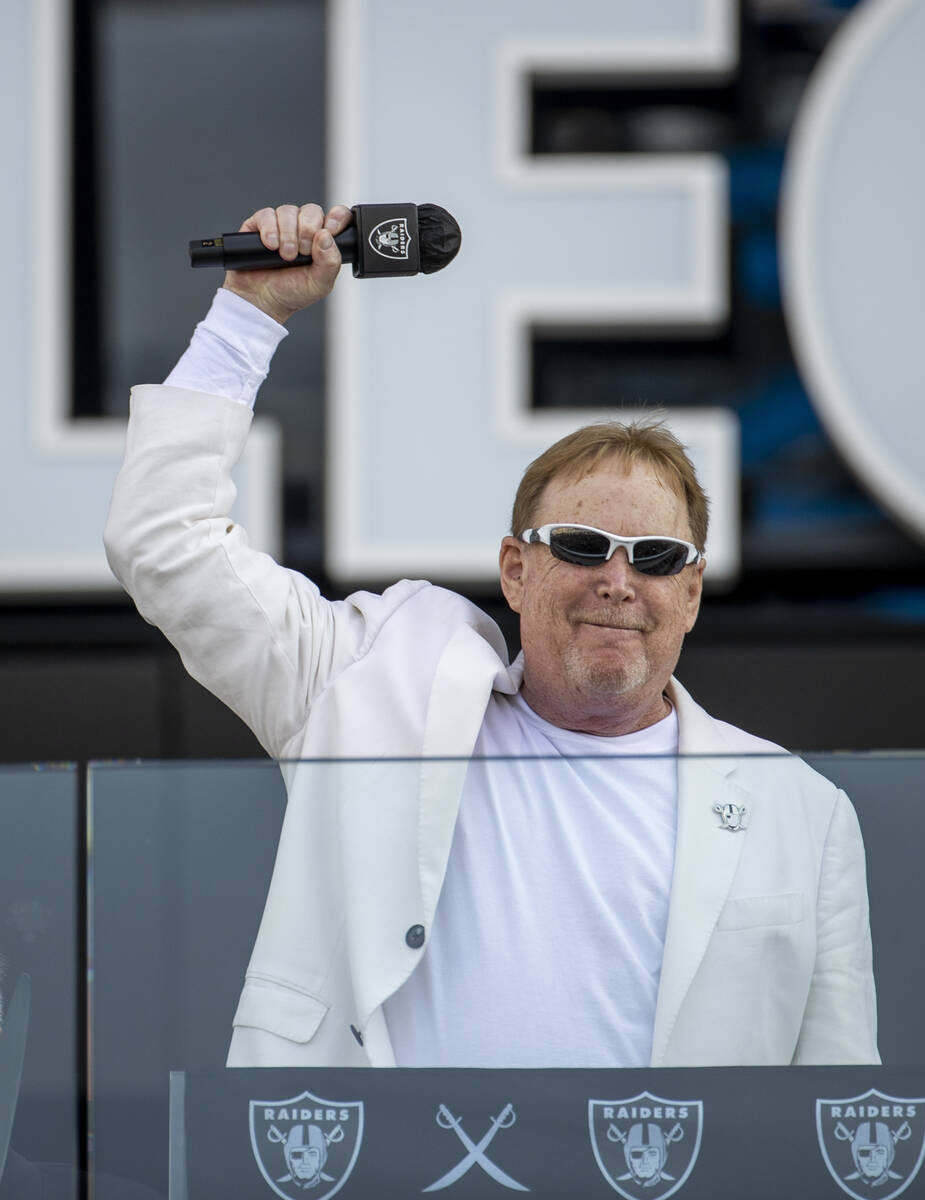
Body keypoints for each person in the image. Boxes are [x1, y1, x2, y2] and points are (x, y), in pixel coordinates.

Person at [104, 203, 879, 1070]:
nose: (618, 581)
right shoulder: (373, 689)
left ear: (691, 593)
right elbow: (163, 542)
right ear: (515, 570)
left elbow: (833, 1109)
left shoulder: (801, 812)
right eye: (582, 547)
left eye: (656, 557)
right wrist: (250, 315)